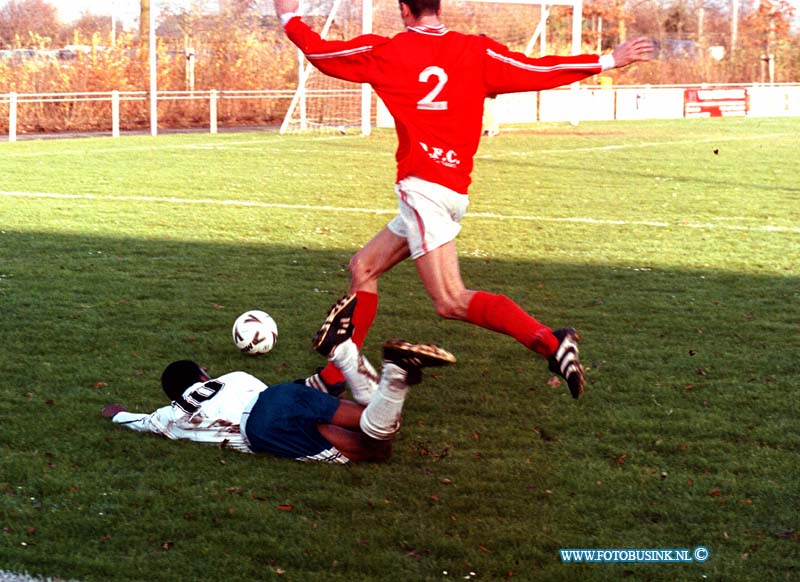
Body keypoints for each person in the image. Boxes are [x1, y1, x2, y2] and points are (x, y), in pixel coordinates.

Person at [274, 0, 654, 400]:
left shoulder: (388, 52)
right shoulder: (476, 51)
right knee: (363, 267)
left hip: (424, 190)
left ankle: (550, 342)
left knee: (450, 300)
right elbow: (537, 70)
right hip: (452, 190)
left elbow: (323, 53)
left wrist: (290, 17)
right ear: (439, 8)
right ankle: (336, 379)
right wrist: (608, 60)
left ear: (405, 10)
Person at [102, 295, 455, 463]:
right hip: (276, 398)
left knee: (377, 450)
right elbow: (287, 394)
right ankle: (351, 358)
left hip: (261, 429)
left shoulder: (169, 416)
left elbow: (136, 420)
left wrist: (115, 412)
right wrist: (322, 384)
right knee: (375, 425)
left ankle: (392, 377)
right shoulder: (234, 377)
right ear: (203, 375)